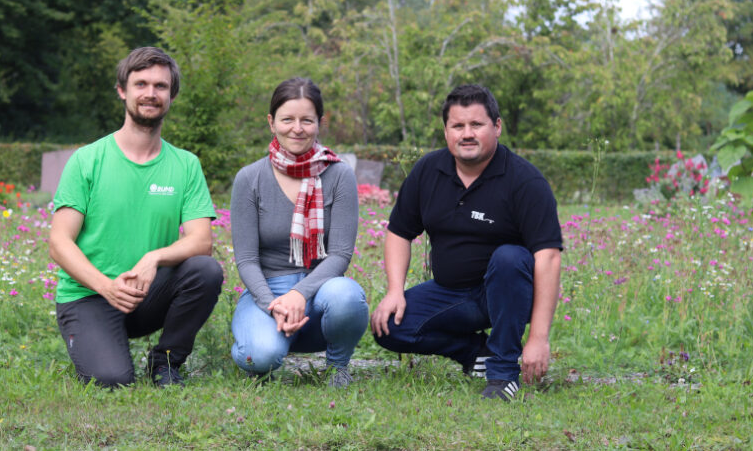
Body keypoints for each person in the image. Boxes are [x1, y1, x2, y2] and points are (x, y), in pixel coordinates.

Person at [370, 84, 563, 401]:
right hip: (451, 294)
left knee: (509, 258)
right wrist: (394, 291)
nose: (466, 134)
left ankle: (503, 374)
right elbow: (399, 232)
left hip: (508, 294)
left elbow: (549, 257)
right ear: (446, 131)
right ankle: (476, 351)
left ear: (497, 126)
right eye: (457, 126)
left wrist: (539, 338)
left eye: (476, 125)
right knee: (389, 325)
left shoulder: (525, 181)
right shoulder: (428, 171)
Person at [48, 47, 223, 388]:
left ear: (171, 95)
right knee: (112, 379)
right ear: (122, 90)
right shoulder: (87, 160)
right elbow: (58, 243)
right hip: (89, 295)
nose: (150, 93)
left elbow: (202, 242)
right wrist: (106, 286)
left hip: (146, 295)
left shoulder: (186, 165)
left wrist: (154, 258)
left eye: (160, 86)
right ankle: (100, 345)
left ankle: (166, 361)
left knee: (205, 270)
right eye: (140, 83)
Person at [229, 77, 368, 388]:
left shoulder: (339, 174)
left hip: (321, 293)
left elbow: (341, 254)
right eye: (287, 119)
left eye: (307, 120)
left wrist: (299, 294)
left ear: (319, 122)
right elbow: (247, 260)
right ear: (271, 122)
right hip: (266, 293)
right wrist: (273, 303)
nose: (297, 128)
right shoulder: (249, 178)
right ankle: (260, 338)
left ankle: (337, 367)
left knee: (347, 295)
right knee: (260, 357)